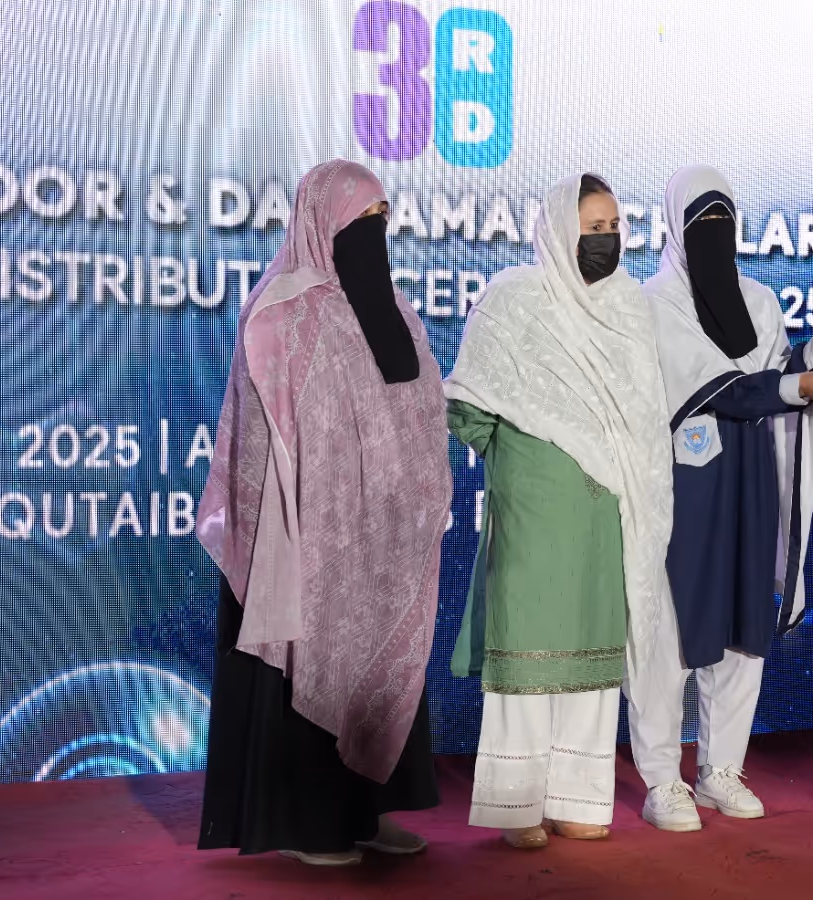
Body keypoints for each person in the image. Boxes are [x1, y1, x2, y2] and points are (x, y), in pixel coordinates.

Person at [196, 159, 453, 867]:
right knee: (308, 671)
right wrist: (323, 500)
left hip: (385, 538)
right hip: (304, 531)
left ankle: (365, 814)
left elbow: (421, 405)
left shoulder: (391, 308)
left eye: (382, 220)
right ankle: (310, 824)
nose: (373, 234)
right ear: (320, 220)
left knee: (381, 671)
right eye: (358, 220)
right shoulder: (281, 311)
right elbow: (263, 430)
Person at [624, 164, 813, 832]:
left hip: (752, 480)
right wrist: (794, 387)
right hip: (684, 489)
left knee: (743, 629)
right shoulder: (652, 304)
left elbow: (775, 379)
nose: (714, 237)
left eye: (725, 222)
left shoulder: (758, 302)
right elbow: (714, 389)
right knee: (671, 633)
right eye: (701, 224)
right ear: (673, 228)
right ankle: (662, 778)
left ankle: (720, 768)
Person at [442, 173, 674, 850]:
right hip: (535, 503)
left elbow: (642, 417)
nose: (604, 240)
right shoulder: (513, 299)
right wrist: (526, 459)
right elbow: (470, 405)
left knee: (593, 653)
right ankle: (518, 806)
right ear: (555, 230)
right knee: (531, 647)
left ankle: (578, 799)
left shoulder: (629, 306)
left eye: (612, 228)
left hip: (609, 509)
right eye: (589, 228)